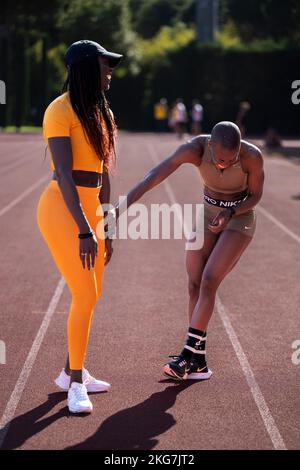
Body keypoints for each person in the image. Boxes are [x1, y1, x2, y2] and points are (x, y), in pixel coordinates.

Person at [113, 121, 264, 381]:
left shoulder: (252, 157)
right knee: (194, 283)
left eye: (231, 160)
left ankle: (185, 354)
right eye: (219, 159)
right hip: (207, 213)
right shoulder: (194, 149)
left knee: (209, 280)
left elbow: (255, 196)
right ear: (210, 145)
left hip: (239, 218)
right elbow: (154, 176)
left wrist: (230, 212)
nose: (223, 165)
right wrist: (119, 209)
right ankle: (199, 362)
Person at [36, 40, 123, 413]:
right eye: (106, 65)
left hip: (92, 211)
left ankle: (69, 370)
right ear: (86, 68)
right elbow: (66, 177)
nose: (110, 72)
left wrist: (107, 226)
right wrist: (86, 231)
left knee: (92, 294)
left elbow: (104, 174)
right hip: (62, 210)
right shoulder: (59, 111)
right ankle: (74, 385)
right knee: (85, 294)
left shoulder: (103, 112)